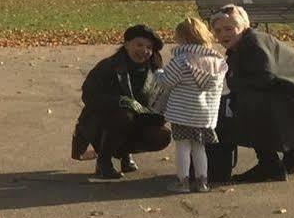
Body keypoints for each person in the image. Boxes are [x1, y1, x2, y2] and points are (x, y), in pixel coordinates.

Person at [206, 4, 294, 183]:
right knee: (246, 101)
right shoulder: (245, 44)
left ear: (244, 27)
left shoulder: (253, 44)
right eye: (218, 30)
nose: (223, 34)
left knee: (243, 107)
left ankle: (269, 165)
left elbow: (265, 77)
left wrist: (230, 86)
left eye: (229, 28)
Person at [70, 24, 172, 180]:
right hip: (101, 121)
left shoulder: (156, 71)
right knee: (124, 116)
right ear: (126, 44)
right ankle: (103, 161)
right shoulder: (108, 66)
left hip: (138, 120)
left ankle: (124, 153)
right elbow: (89, 96)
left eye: (149, 48)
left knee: (162, 135)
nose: (144, 51)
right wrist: (120, 101)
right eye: (139, 45)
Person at [148, 16, 227, 194]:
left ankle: (182, 181)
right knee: (199, 148)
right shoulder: (218, 63)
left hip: (183, 113)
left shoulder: (182, 61)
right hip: (206, 116)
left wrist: (157, 71)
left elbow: (165, 82)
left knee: (183, 147)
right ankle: (202, 182)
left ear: (182, 38)